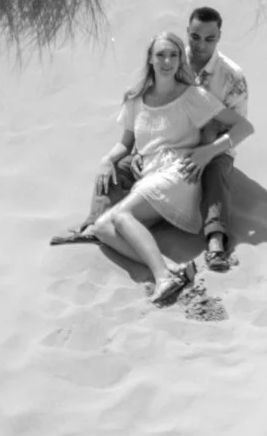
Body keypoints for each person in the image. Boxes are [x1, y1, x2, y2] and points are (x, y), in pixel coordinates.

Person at [81, 30, 256, 306]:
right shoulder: (135, 99)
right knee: (103, 227)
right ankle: (172, 270)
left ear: (179, 60)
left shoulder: (193, 95)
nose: (167, 61)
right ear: (150, 59)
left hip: (180, 173)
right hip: (149, 176)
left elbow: (244, 127)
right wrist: (106, 160)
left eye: (173, 55)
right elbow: (125, 144)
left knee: (122, 215)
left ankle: (163, 278)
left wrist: (208, 151)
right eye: (161, 55)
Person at [181, 5, 251, 272]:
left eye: (210, 38)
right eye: (195, 37)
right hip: (174, 141)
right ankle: (100, 222)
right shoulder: (172, 61)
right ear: (187, 32)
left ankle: (216, 241)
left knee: (215, 173)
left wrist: (207, 151)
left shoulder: (232, 76)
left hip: (215, 146)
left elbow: (239, 130)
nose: (201, 45)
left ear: (219, 37)